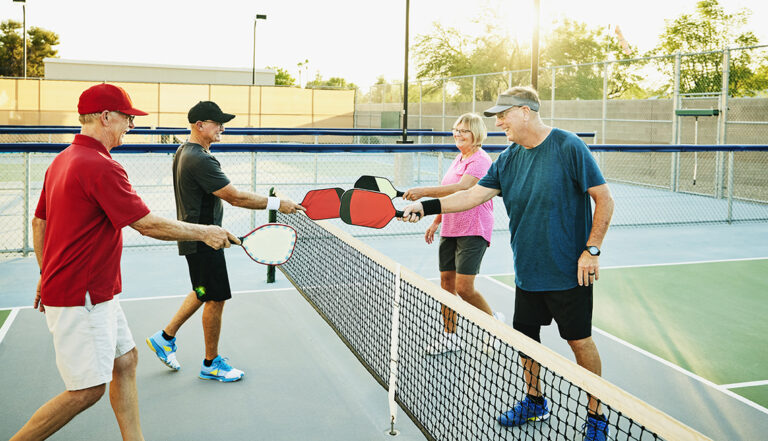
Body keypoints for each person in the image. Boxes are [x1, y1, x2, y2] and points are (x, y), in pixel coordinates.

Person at [12, 84, 238, 441]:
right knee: (86, 391)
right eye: (127, 118)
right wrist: (205, 232)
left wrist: (45, 272)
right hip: (82, 296)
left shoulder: (63, 159)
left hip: (94, 292)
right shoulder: (101, 166)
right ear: (105, 117)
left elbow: (39, 222)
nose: (131, 125)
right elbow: (145, 224)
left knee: (126, 360)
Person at [400, 86, 615, 441]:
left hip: (568, 272)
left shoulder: (568, 146)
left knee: (580, 343)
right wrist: (426, 207)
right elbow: (471, 195)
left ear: (526, 111)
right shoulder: (510, 158)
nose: (499, 121)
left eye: (504, 114)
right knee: (526, 340)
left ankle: (596, 416)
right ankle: (535, 401)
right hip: (527, 272)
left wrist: (591, 250)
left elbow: (604, 198)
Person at [146, 101, 304, 382]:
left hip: (198, 236)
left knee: (203, 289)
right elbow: (235, 197)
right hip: (203, 240)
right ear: (200, 126)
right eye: (217, 123)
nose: (222, 128)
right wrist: (279, 203)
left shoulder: (185, 150)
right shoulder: (199, 158)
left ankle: (165, 337)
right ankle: (211, 364)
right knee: (216, 298)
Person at [402, 112, 503, 355]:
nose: (458, 134)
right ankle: (449, 336)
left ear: (476, 134)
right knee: (446, 284)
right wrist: (436, 221)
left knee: (464, 287)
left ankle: (495, 325)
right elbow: (450, 197)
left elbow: (462, 189)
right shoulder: (458, 158)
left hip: (473, 228)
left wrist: (423, 193)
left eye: (464, 130)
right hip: (451, 227)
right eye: (456, 130)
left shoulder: (480, 160)